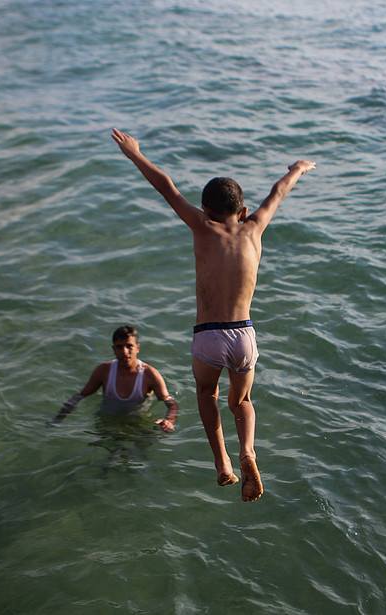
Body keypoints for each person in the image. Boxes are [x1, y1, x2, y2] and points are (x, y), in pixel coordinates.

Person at [111, 128, 315, 502]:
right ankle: (248, 452)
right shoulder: (254, 227)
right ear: (243, 211)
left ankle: (222, 462)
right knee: (242, 401)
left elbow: (167, 188)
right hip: (244, 334)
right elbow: (278, 192)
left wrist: (135, 153)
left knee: (207, 393)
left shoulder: (202, 226)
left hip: (209, 335)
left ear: (206, 211)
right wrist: (298, 168)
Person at [53, 326, 179, 432]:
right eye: (119, 347)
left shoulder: (150, 375)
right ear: (113, 349)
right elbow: (80, 396)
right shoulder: (103, 371)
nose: (124, 352)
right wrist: (58, 419)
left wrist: (169, 420)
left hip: (137, 423)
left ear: (137, 348)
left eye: (129, 346)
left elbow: (171, 403)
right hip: (107, 422)